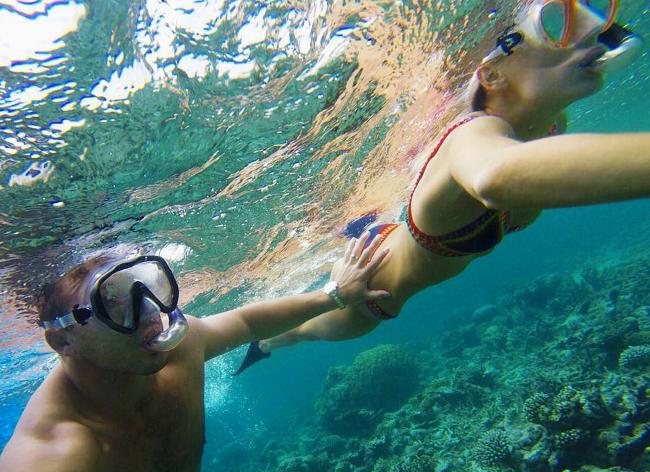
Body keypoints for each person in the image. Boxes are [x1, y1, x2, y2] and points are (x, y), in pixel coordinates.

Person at [234, 0, 650, 373]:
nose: (591, 33)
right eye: (555, 21)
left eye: (591, 18)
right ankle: (267, 343)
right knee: (296, 333)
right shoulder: (469, 138)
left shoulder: (553, 127)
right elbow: (493, 175)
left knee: (301, 331)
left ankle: (271, 340)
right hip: (369, 297)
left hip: (391, 247)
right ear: (492, 72)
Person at [0, 235, 389, 472]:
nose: (152, 315)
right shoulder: (53, 461)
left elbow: (247, 320)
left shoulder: (178, 350)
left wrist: (335, 295)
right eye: (113, 303)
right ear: (62, 339)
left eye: (149, 288)